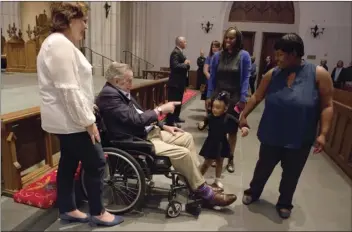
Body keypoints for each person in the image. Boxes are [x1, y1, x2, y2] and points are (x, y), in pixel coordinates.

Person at [95, 62, 237, 207]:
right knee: (183, 153)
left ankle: (195, 182)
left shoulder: (119, 91)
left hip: (147, 131)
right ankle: (205, 192)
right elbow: (135, 120)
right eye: (129, 80)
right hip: (135, 140)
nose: (132, 84)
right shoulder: (110, 96)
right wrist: (160, 110)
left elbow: (140, 114)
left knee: (186, 138)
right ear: (117, 81)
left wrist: (164, 126)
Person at [36, 2, 123, 227]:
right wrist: (88, 122)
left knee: (68, 162)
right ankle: (98, 212)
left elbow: (74, 89)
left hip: (69, 120)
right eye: (83, 20)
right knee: (96, 163)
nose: (86, 26)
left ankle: (68, 208)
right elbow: (68, 90)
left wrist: (88, 109)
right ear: (69, 19)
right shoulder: (59, 45)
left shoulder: (61, 44)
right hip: (72, 122)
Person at [239, 33, 333, 219]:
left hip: (300, 137)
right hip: (272, 133)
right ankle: (253, 191)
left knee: (291, 173)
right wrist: (244, 114)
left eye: (281, 54)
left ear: (295, 53)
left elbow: (327, 105)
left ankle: (284, 202)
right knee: (263, 167)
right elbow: (257, 96)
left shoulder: (318, 74)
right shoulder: (272, 73)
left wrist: (323, 133)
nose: (277, 58)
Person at [206, 27, 251, 173]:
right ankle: (218, 156)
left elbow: (245, 78)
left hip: (234, 96)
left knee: (231, 130)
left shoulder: (244, 56)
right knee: (217, 129)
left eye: (232, 38)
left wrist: (243, 98)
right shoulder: (217, 56)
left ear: (237, 40)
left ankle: (230, 158)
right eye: (226, 37)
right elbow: (212, 77)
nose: (228, 40)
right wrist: (209, 96)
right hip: (218, 96)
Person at [199, 91, 249, 191]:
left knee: (220, 162)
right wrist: (200, 125)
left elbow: (238, 122)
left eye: (218, 108)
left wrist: (243, 128)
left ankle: (217, 179)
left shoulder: (228, 117)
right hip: (211, 143)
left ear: (225, 108)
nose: (214, 110)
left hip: (221, 143)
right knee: (206, 163)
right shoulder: (210, 117)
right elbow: (203, 124)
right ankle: (198, 178)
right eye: (213, 107)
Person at [165, 36, 190, 128]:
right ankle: (170, 121)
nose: (186, 43)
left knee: (179, 101)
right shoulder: (175, 53)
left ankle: (176, 117)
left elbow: (184, 66)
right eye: (185, 42)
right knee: (173, 102)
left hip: (179, 82)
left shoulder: (180, 52)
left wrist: (186, 64)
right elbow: (174, 66)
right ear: (180, 43)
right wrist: (186, 64)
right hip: (175, 83)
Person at [197, 40, 221, 131]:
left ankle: (216, 121)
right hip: (209, 81)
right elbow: (205, 70)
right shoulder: (209, 57)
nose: (214, 48)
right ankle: (208, 119)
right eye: (213, 46)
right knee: (208, 102)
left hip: (219, 84)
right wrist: (212, 78)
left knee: (217, 103)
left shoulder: (221, 57)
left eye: (216, 46)